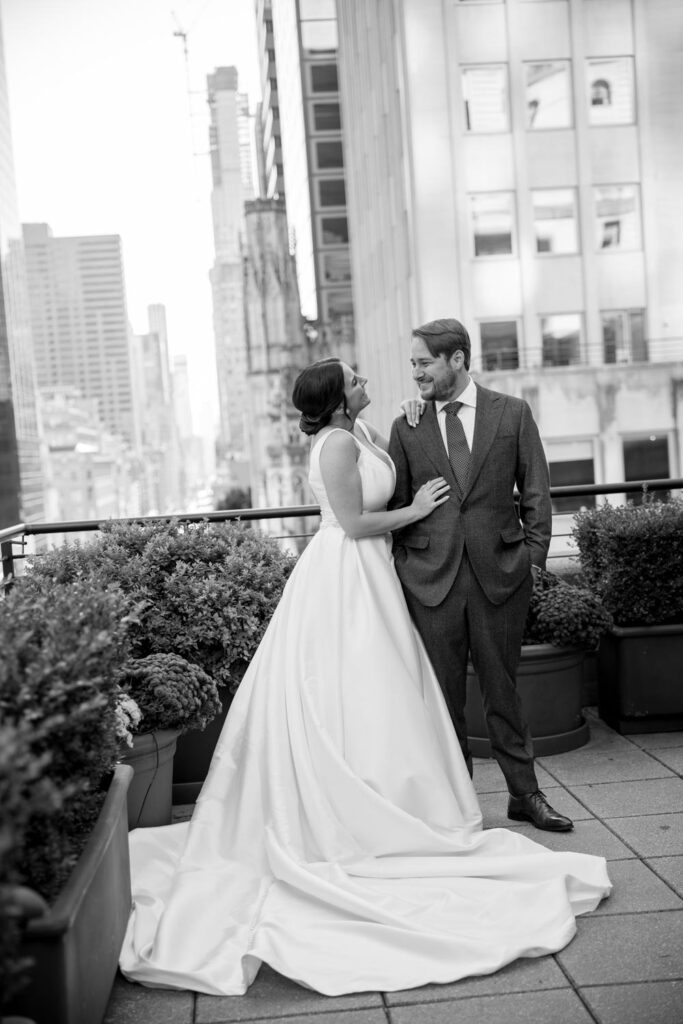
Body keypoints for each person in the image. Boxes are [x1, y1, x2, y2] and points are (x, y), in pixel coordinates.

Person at [118, 357, 610, 997]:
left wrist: (406, 423)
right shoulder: (336, 446)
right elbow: (351, 524)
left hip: (374, 579)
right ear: (338, 397)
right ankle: (356, 816)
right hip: (344, 579)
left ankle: (401, 802)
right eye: (355, 377)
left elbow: (391, 462)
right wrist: (414, 511)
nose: (366, 379)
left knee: (390, 698)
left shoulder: (366, 434)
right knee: (351, 692)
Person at [389, 318, 571, 831]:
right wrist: (409, 565)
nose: (416, 373)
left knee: (502, 690)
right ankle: (457, 802)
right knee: (442, 697)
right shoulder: (407, 424)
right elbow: (398, 503)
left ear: (458, 360)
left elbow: (536, 493)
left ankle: (524, 794)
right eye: (413, 364)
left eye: (424, 363)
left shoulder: (511, 413)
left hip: (501, 576)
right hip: (431, 581)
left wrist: (530, 561)